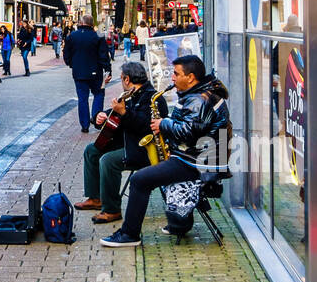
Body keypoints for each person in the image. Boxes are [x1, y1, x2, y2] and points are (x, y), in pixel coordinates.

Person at [102, 55, 229, 247]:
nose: (173, 78)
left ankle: (129, 234)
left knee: (139, 180)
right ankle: (180, 223)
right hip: (196, 157)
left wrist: (164, 124)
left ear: (191, 77)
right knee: (154, 175)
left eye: (177, 74)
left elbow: (187, 132)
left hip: (198, 163)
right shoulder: (199, 94)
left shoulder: (200, 100)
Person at [75, 62, 167, 224]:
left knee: (108, 160)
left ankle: (112, 210)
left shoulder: (153, 98)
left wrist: (124, 112)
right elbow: (113, 116)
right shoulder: (130, 95)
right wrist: (99, 117)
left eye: (121, 78)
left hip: (144, 149)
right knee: (92, 150)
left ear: (126, 79)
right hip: (128, 143)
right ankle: (96, 198)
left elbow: (145, 126)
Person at [64, 14, 112, 133]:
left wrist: (71, 64)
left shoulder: (72, 36)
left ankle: (84, 125)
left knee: (82, 98)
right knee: (99, 94)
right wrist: (108, 70)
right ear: (92, 24)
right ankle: (96, 120)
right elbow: (104, 55)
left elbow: (66, 54)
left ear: (80, 23)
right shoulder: (98, 36)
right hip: (96, 72)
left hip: (79, 72)